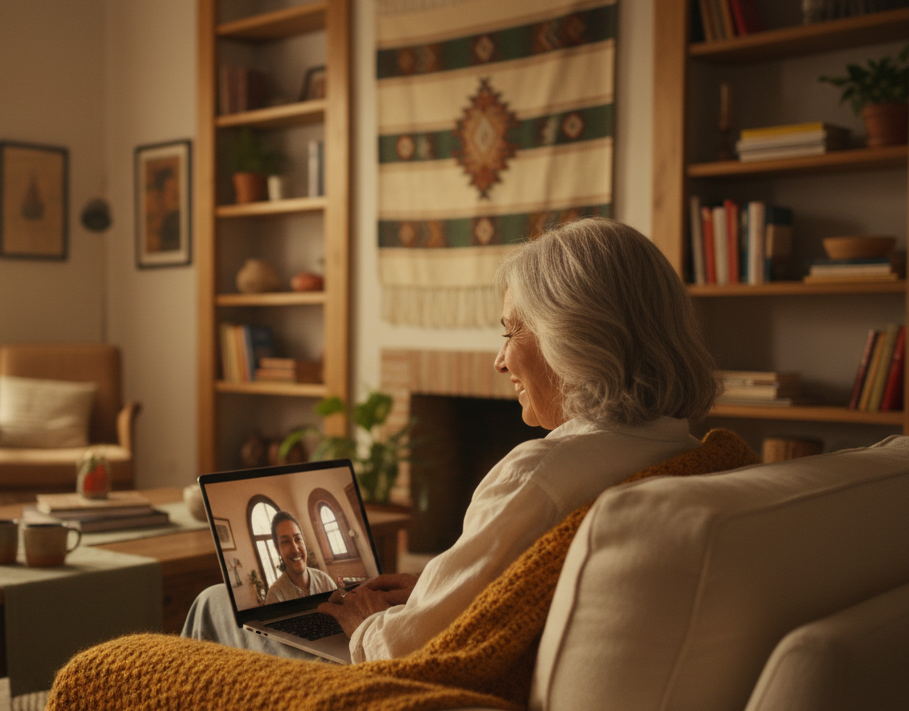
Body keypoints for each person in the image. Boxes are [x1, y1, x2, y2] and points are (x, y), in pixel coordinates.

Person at [183, 217, 720, 663]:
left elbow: (398, 651)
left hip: (402, 684)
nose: (500, 358)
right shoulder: (683, 452)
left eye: (512, 331)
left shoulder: (540, 474)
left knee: (215, 603)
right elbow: (511, 587)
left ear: (575, 339)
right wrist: (436, 584)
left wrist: (368, 623)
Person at [263, 511, 338, 604]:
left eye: (298, 539)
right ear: (277, 548)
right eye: (285, 542)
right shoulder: (275, 596)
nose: (295, 549)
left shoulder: (325, 582)